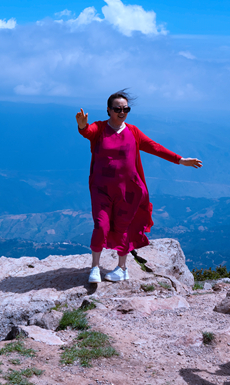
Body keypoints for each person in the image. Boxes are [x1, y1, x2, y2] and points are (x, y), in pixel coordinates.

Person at [76, 90, 202, 283]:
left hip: (128, 190)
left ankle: (122, 268)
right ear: (109, 110)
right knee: (100, 225)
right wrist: (82, 125)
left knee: (123, 227)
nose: (122, 111)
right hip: (101, 189)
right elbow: (87, 132)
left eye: (126, 108)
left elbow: (155, 147)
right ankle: (94, 268)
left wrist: (180, 160)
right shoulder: (100, 128)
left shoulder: (133, 132)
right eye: (117, 108)